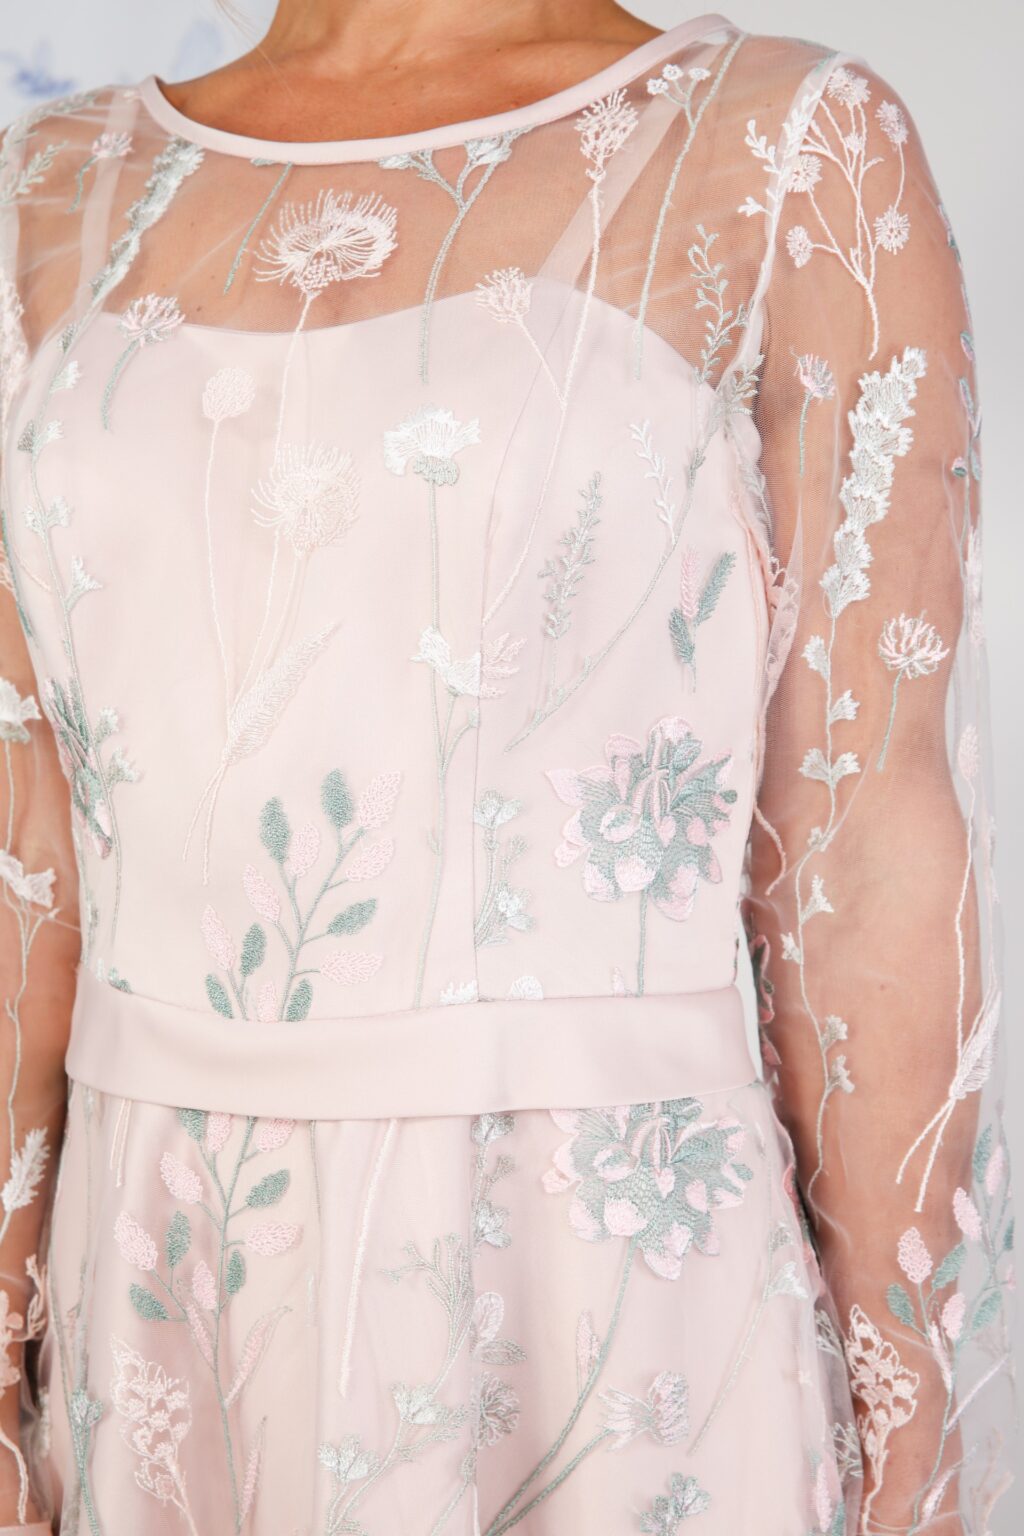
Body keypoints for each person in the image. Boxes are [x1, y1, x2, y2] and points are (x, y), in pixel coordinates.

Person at [0, 1, 1014, 1530]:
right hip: (158, 1283)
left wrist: (914, 1444)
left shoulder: (784, 146)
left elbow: (865, 836)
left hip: (606, 1284)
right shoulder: (45, 186)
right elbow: (25, 845)